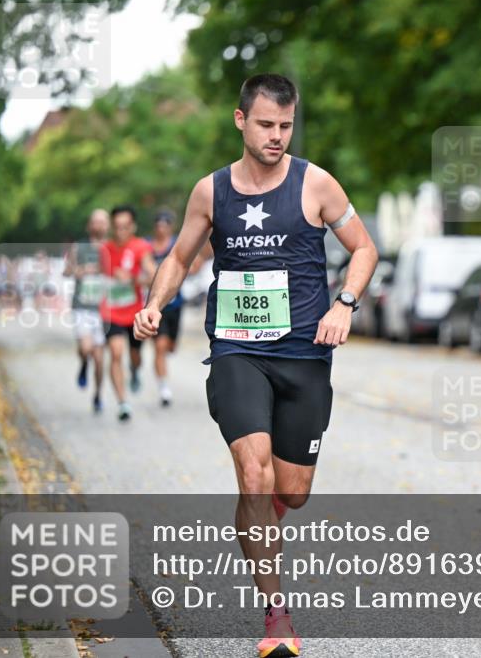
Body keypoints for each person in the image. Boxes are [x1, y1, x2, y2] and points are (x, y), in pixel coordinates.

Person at [134, 73, 378, 658]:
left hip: (305, 355)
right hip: (238, 350)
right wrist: (154, 304)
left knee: (290, 494)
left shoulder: (315, 184)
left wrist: (345, 304)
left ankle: (257, 512)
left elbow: (364, 249)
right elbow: (181, 256)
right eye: (266, 124)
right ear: (240, 120)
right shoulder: (210, 192)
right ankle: (276, 615)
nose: (276, 136)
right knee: (255, 475)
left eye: (286, 126)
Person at [101, 205, 156, 421]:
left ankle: (134, 370)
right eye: (117, 227)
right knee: (115, 353)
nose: (121, 231)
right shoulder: (104, 249)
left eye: (125, 226)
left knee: (135, 356)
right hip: (111, 312)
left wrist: (132, 279)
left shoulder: (140, 247)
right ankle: (123, 403)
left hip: (134, 313)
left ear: (132, 226)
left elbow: (154, 276)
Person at [146, 210, 203, 407]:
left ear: (170, 227)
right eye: (158, 224)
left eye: (165, 224)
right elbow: (142, 268)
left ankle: (163, 378)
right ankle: (164, 389)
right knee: (160, 347)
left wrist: (185, 270)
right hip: (155, 305)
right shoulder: (148, 246)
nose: (161, 228)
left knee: (170, 347)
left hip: (176, 305)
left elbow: (193, 265)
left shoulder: (176, 245)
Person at [63, 209, 110, 412]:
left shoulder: (111, 247)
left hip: (103, 309)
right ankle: (83, 363)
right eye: (95, 222)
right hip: (82, 306)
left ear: (107, 225)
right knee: (85, 349)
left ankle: (98, 395)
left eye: (102, 222)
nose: (99, 225)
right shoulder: (79, 247)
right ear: (89, 225)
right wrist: (78, 271)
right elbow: (66, 271)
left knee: (100, 360)